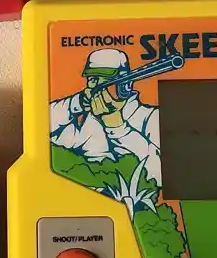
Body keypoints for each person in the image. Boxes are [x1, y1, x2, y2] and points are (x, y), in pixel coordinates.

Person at [50, 49, 161, 184]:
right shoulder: (84, 122)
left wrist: (117, 127)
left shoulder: (151, 117)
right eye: (93, 79)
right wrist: (76, 102)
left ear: (126, 85)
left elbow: (158, 174)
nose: (98, 87)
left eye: (106, 80)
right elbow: (39, 125)